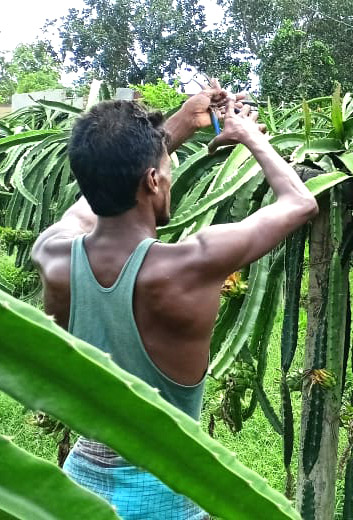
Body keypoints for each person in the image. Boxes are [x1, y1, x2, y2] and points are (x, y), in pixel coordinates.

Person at [30, 81, 318, 519]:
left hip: (78, 485)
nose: (168, 175)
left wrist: (184, 120)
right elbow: (299, 202)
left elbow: (93, 198)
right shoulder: (190, 264)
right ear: (152, 180)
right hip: (167, 493)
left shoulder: (52, 251)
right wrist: (247, 133)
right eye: (165, 168)